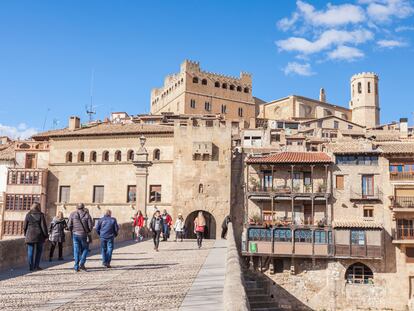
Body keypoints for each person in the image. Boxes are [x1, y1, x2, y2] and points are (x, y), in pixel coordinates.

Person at [67, 203, 93, 272]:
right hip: (84, 234)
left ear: (77, 207)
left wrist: (72, 230)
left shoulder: (72, 214)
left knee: (76, 250)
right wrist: (88, 231)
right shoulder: (87, 214)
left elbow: (69, 225)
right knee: (85, 249)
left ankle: (76, 266)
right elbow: (90, 226)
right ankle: (82, 263)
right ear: (83, 207)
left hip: (75, 234)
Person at [24, 202, 48, 271]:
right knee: (39, 251)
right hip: (39, 235)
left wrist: (26, 234)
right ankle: (36, 266)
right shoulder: (41, 215)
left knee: (30, 251)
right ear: (38, 207)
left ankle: (31, 267)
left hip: (29, 234)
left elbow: (25, 226)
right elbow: (43, 226)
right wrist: (46, 236)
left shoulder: (28, 215)